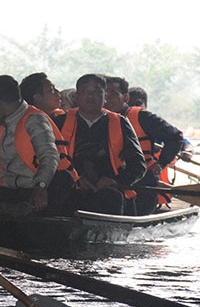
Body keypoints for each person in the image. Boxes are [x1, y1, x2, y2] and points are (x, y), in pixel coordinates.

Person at [0, 75, 76, 217]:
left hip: (33, 191)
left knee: (63, 178)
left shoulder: (34, 119)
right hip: (9, 191)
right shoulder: (3, 125)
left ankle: (14, 211)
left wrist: (40, 186)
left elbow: (50, 156)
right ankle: (12, 210)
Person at [53, 74, 148, 216]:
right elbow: (49, 159)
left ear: (105, 97)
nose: (90, 96)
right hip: (72, 189)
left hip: (110, 192)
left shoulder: (120, 122)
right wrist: (76, 179)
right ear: (77, 97)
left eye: (96, 92)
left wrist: (115, 181)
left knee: (112, 197)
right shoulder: (60, 122)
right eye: (84, 92)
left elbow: (138, 165)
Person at [105, 77, 183, 206]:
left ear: (126, 98)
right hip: (110, 183)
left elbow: (175, 137)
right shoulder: (98, 119)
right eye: (104, 94)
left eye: (113, 94)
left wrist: (161, 163)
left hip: (142, 183)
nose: (107, 99)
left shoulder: (142, 117)